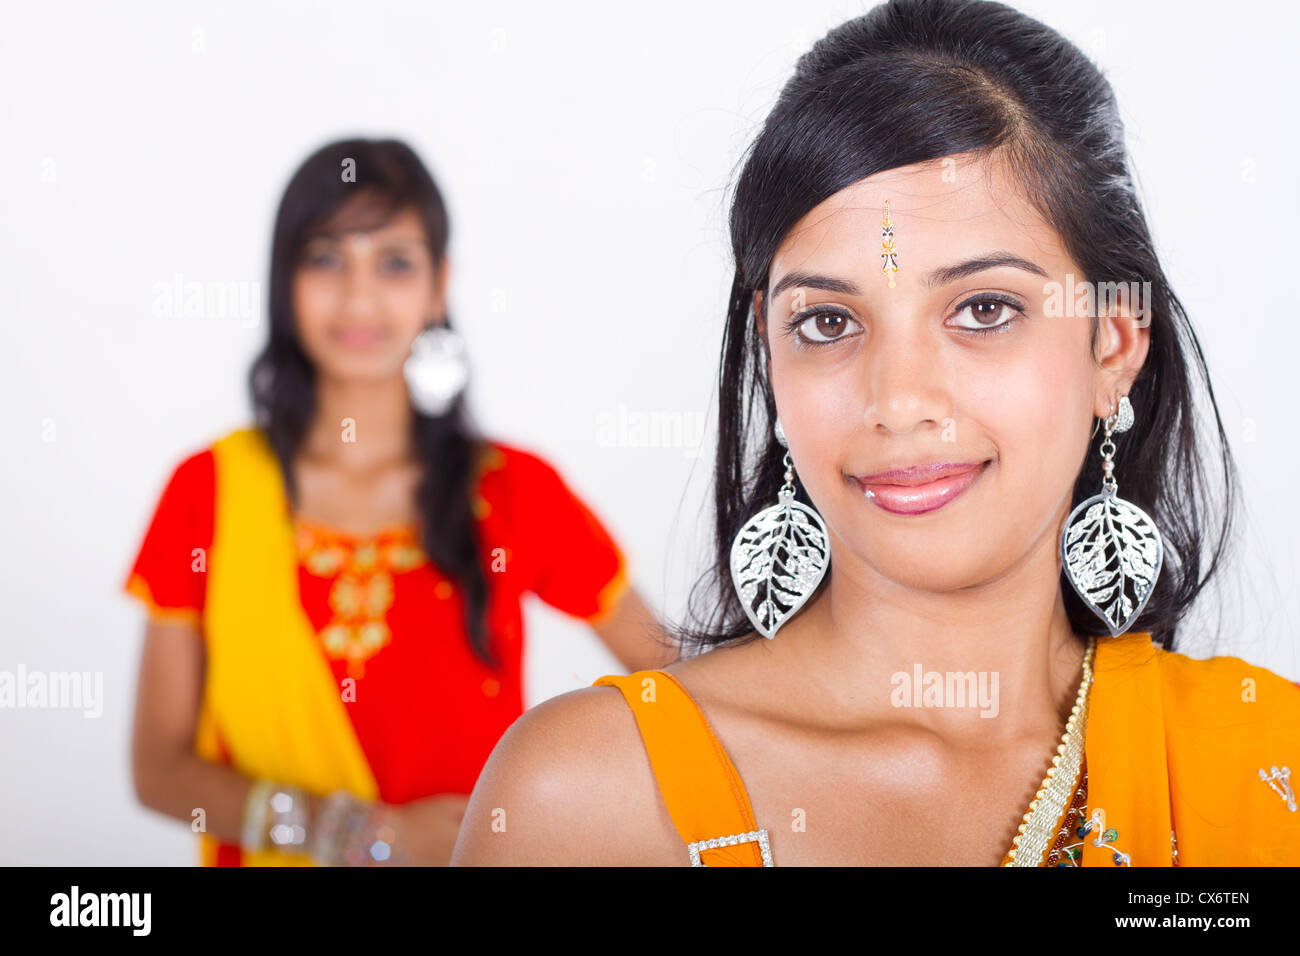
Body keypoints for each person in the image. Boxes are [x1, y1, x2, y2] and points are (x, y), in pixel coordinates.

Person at [451, 0, 1300, 866]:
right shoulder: (587, 798)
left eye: (982, 308)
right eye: (826, 323)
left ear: (1114, 342)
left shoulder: (1272, 767)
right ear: (769, 357)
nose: (897, 401)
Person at [124, 137, 673, 866]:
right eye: (325, 258)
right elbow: (159, 771)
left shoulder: (512, 490)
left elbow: (673, 690)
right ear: (283, 280)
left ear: (438, 286)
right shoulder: (208, 491)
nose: (359, 296)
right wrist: (361, 837)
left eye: (394, 262)